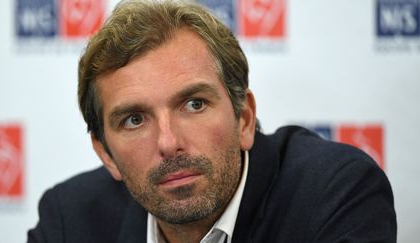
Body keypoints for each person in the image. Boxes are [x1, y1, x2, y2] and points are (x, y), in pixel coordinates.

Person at [27, 0, 397, 242]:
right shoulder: (69, 220)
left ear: (245, 119)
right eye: (135, 119)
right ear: (105, 153)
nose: (168, 143)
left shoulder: (334, 194)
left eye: (194, 104)